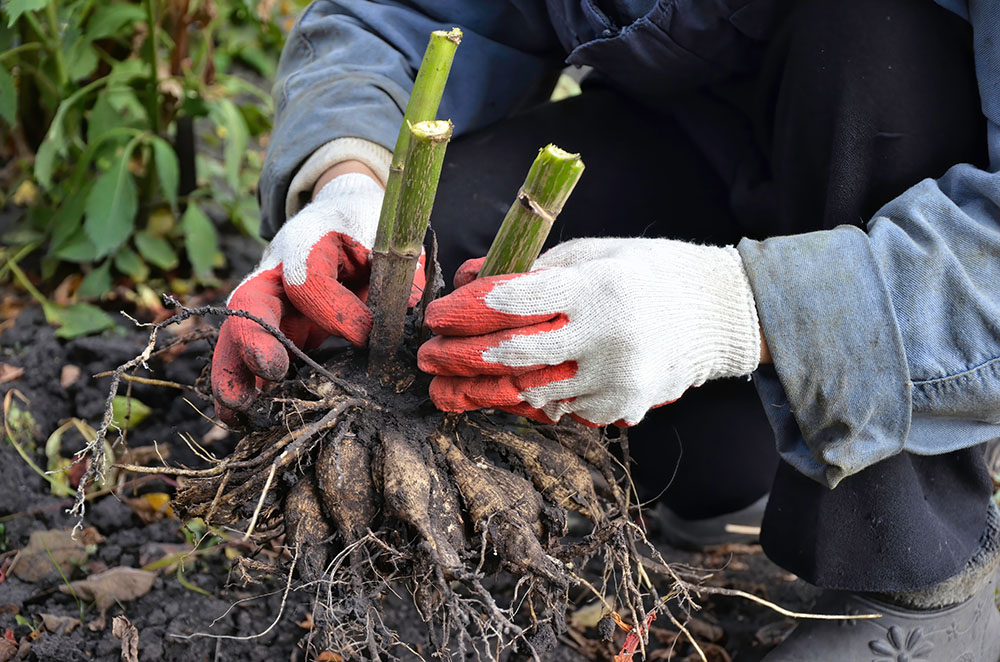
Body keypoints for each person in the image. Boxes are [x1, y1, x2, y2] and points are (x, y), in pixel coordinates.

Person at [209, 1, 1000, 658]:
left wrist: (733, 311)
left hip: (900, 168)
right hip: (710, 149)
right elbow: (405, 13)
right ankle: (735, 457)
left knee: (872, 28)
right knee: (431, 266)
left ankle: (915, 571)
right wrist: (346, 180)